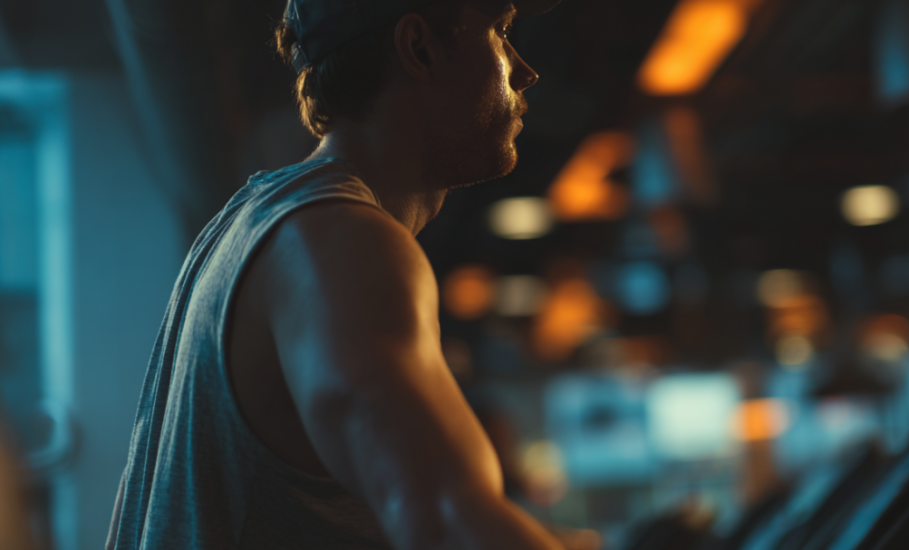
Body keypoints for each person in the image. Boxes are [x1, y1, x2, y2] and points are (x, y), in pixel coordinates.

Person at [106, 1, 567, 548]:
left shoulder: (261, 223)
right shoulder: (340, 241)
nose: (524, 68)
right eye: (499, 31)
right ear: (418, 48)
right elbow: (446, 526)